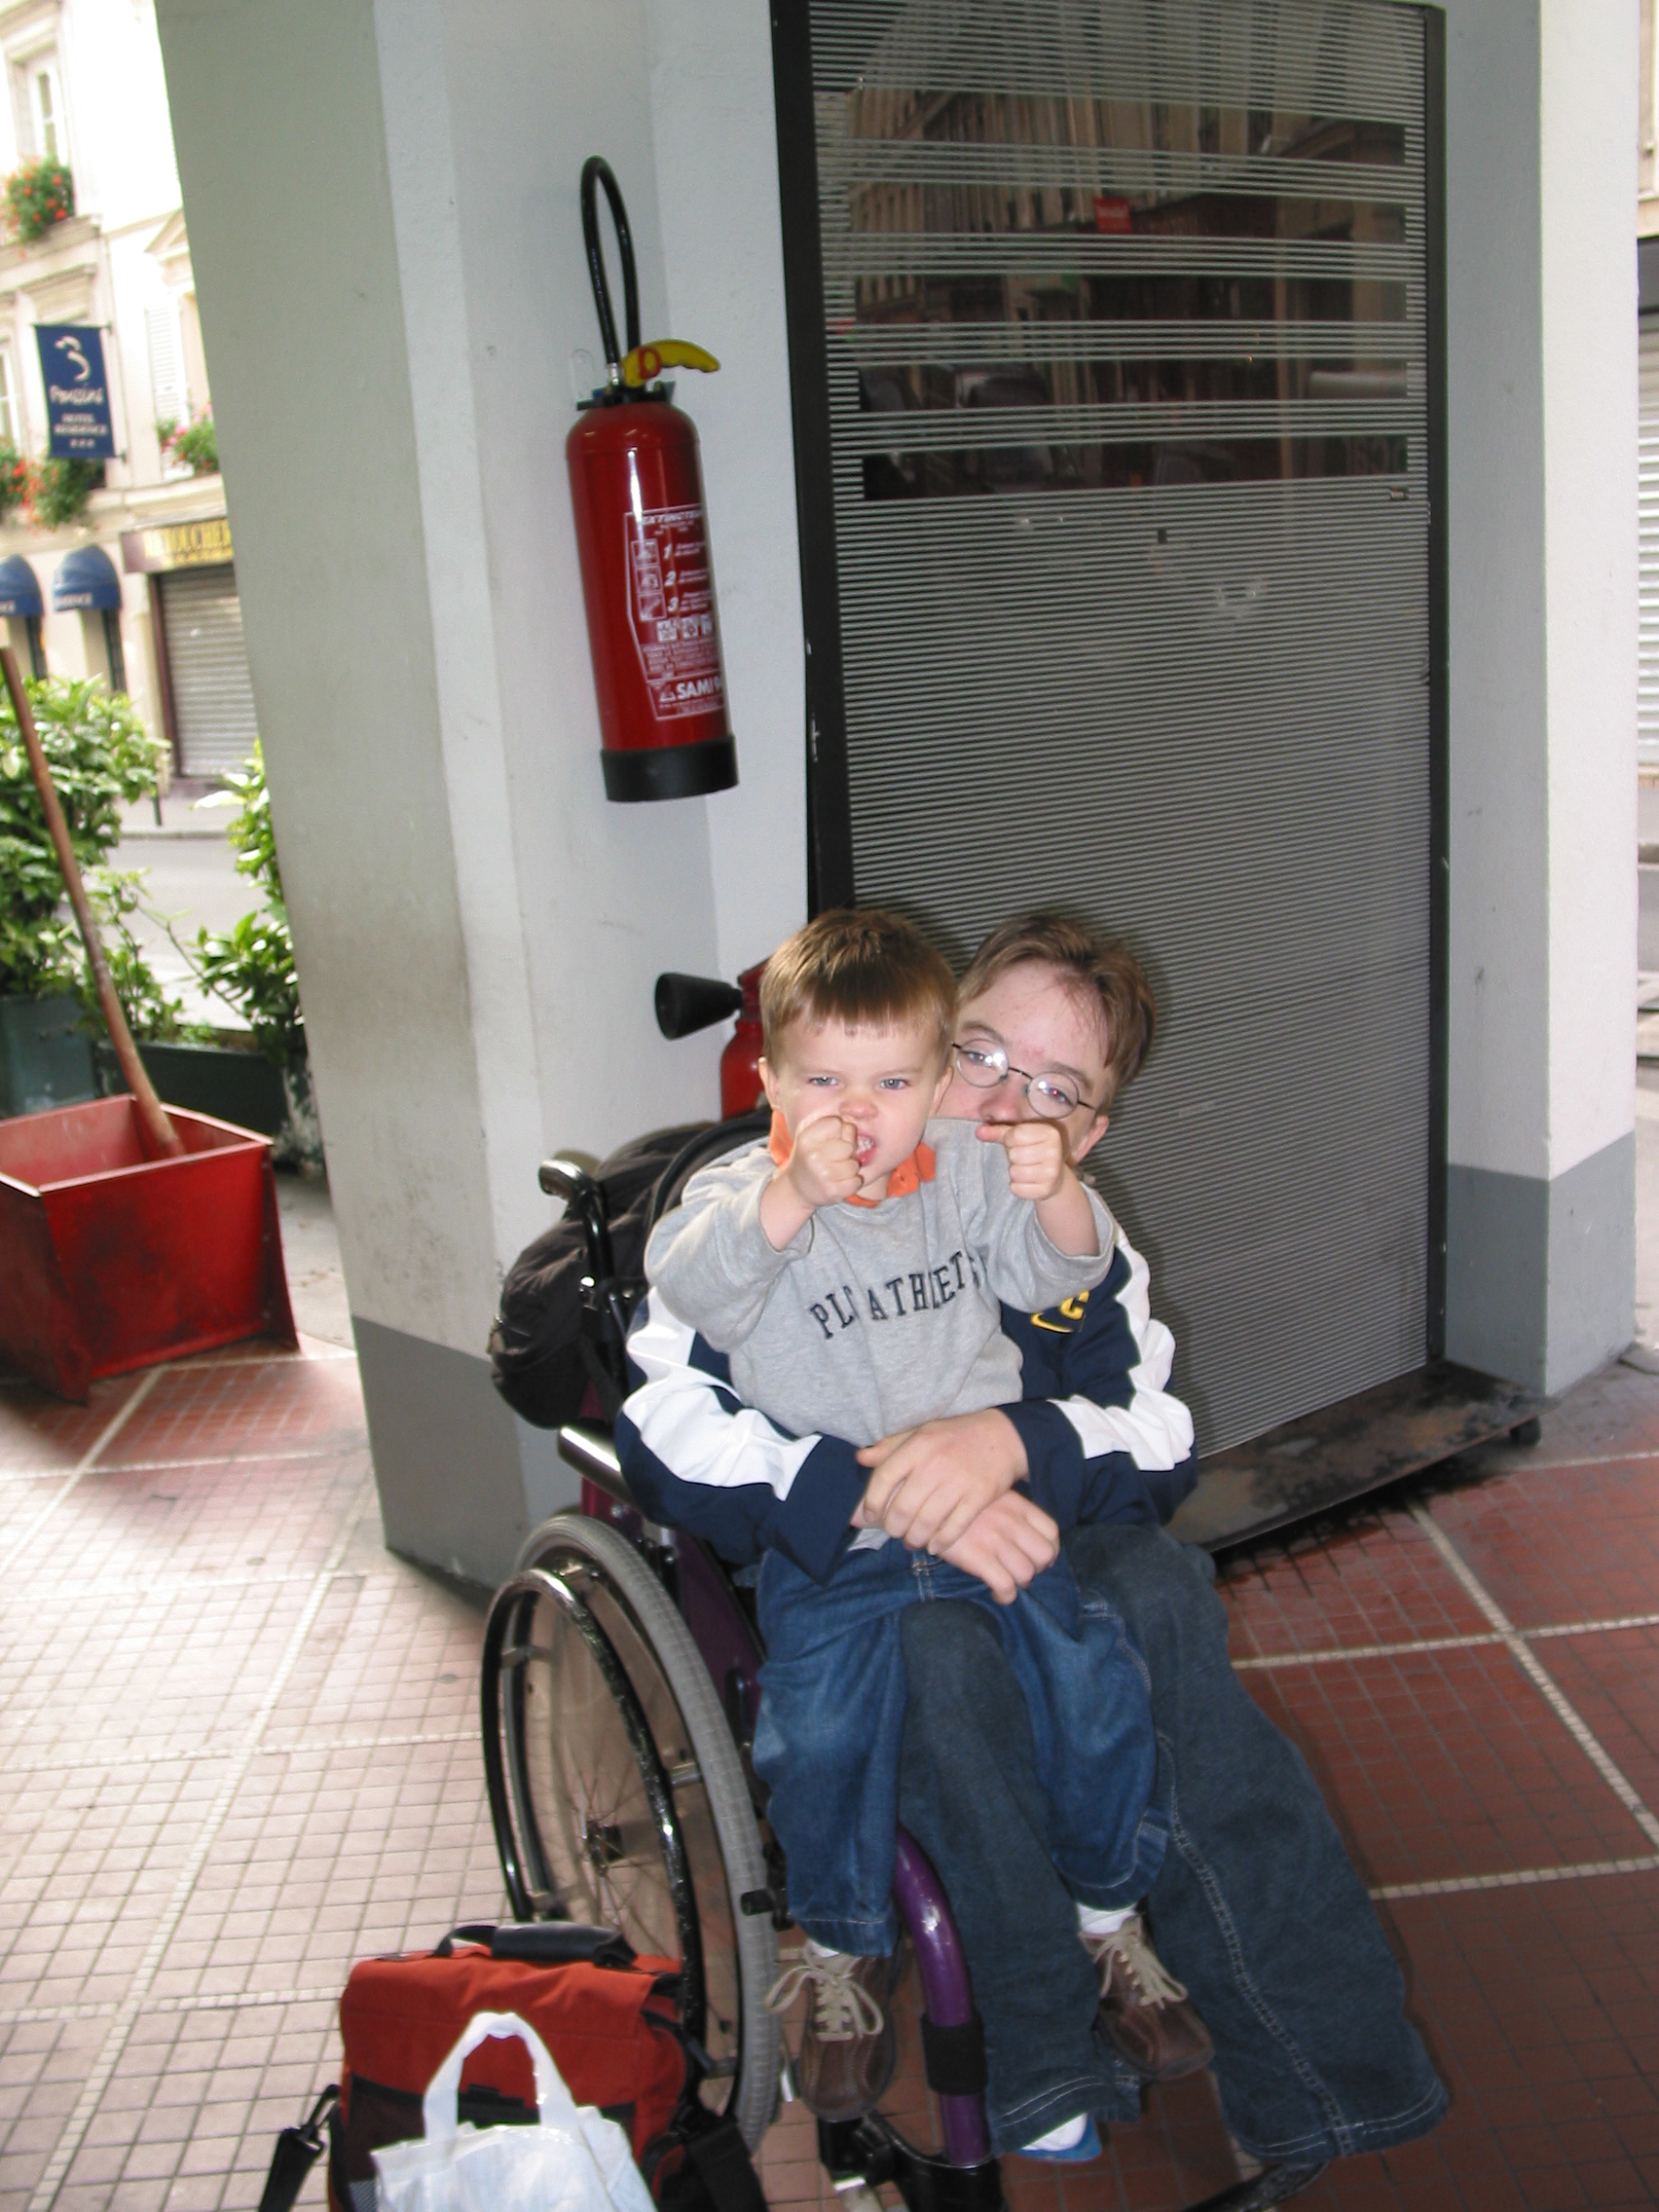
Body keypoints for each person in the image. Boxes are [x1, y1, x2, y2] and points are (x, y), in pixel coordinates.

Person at [619, 911, 1447, 2186]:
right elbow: (668, 1413)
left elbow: (1156, 1426)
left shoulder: (1060, 1218)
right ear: (931, 1040)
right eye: (984, 1053)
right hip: (848, 1537)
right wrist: (890, 1487)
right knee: (942, 1664)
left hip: (1056, 1528)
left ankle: (1305, 2066)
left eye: (1055, 1089)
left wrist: (1007, 1445)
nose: (1007, 1103)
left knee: (1157, 1611)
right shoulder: (777, 1197)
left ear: (1094, 1129)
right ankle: (1038, 2053)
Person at [638, 910, 1189, 2149]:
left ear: (936, 1090)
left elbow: (1058, 1286)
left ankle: (1110, 1915)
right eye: (823, 1080)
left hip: (985, 1518)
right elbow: (695, 1291)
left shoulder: (966, 1177)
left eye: (892, 1081)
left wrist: (1057, 1202)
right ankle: (837, 1945)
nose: (858, 1112)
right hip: (841, 1545)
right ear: (773, 1080)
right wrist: (790, 1192)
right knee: (819, 1723)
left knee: (1092, 1669)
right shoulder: (743, 1194)